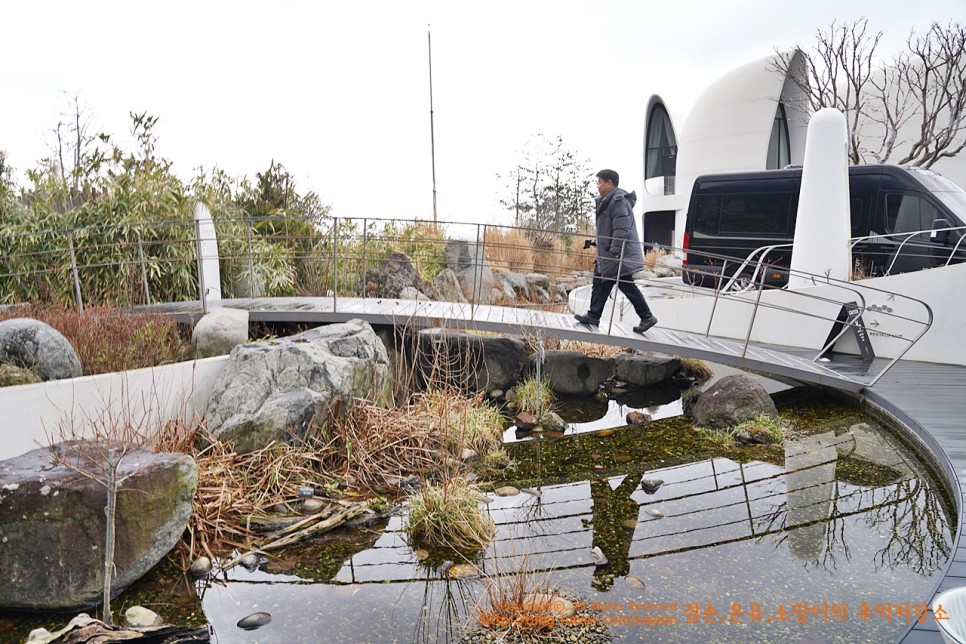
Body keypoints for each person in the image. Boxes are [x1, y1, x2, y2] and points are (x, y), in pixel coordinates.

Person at [575, 169, 658, 334]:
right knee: (600, 281)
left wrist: (614, 250)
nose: (597, 186)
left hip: (616, 255)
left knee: (624, 285)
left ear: (609, 183)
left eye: (599, 182)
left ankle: (647, 316)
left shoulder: (618, 201)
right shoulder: (609, 200)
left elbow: (622, 228)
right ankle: (594, 315)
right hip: (607, 253)